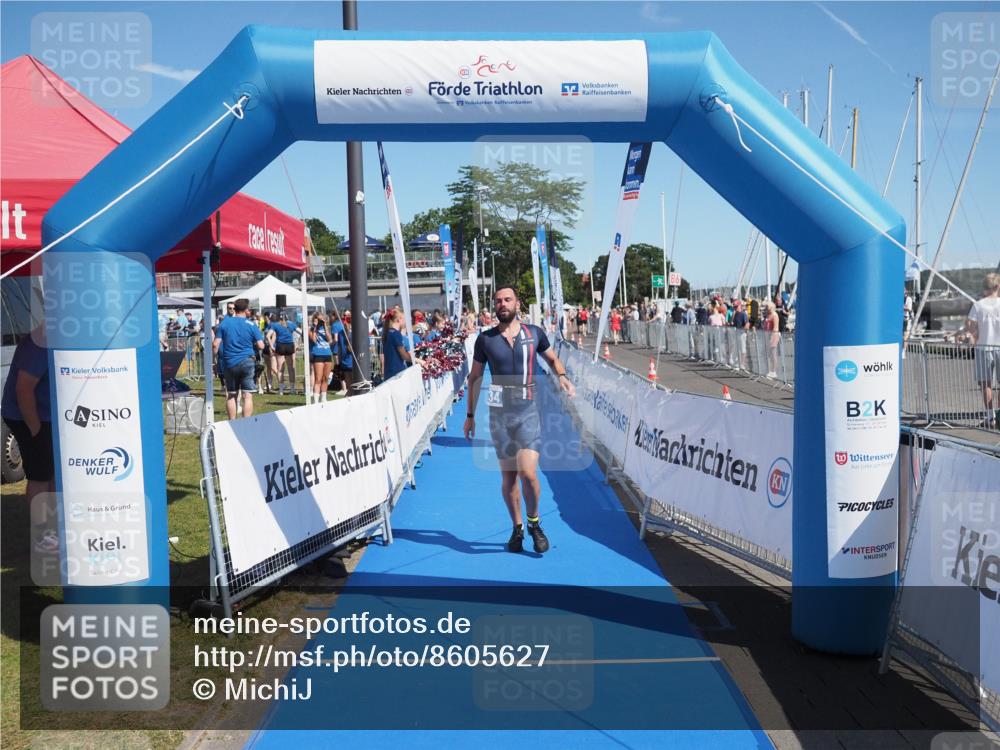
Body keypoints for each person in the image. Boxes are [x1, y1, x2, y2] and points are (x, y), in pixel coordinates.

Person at [463, 286, 575, 554]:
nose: (502, 304)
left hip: (528, 411)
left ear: (517, 303)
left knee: (528, 473)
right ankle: (517, 529)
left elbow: (552, 359)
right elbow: (475, 378)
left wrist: (561, 376)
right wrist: (469, 416)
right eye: (498, 301)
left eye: (507, 299)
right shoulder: (485, 339)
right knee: (509, 478)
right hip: (499, 415)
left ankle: (534, 522)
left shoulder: (534, 333)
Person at [1, 327, 58, 554]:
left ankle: (53, 530)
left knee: (51, 473)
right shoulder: (41, 341)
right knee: (40, 476)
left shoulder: (53, 336)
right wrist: (35, 429)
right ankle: (43, 536)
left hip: (44, 416)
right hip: (29, 416)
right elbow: (23, 390)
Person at [213, 298, 264, 420]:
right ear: (247, 310)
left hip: (229, 362)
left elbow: (215, 344)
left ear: (234, 309)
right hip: (247, 361)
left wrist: (214, 361)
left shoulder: (224, 323)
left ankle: (232, 423)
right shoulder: (252, 324)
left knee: (231, 395)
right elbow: (261, 345)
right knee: (248, 395)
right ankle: (246, 424)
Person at [963, 273, 1000, 428]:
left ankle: (990, 416)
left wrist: (972, 336)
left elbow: (971, 329)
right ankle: (999, 416)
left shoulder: (978, 305)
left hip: (983, 348)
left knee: (985, 384)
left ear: (985, 287)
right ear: (998, 287)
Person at [382, 308, 418, 380]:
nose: (406, 322)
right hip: (396, 373)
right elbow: (404, 356)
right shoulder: (396, 334)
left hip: (389, 372)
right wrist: (420, 361)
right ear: (399, 320)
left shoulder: (388, 332)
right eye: (405, 319)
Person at [267, 313, 298, 395]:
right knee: (291, 368)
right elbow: (301, 332)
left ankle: (281, 390)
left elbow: (268, 336)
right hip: (290, 346)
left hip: (280, 346)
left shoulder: (275, 325)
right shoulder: (291, 324)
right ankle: (292, 389)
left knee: (280, 369)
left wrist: (271, 346)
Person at [309, 312, 334, 403]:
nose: (319, 321)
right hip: (318, 354)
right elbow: (314, 340)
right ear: (314, 319)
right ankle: (315, 400)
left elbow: (330, 340)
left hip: (327, 354)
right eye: (317, 319)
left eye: (321, 319)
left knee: (325, 378)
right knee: (318, 379)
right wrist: (315, 327)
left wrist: (325, 326)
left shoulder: (326, 328)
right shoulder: (311, 328)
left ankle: (323, 398)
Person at [328, 310, 349, 396]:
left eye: (330, 317)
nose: (329, 318)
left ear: (334, 316)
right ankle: (346, 387)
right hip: (344, 348)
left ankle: (344, 388)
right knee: (344, 368)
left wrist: (328, 343)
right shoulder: (343, 323)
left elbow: (335, 339)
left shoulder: (334, 325)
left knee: (338, 368)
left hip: (336, 350)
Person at [763, 300, 781, 378]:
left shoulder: (774, 315)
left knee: (773, 354)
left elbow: (775, 327)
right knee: (768, 354)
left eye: (767, 307)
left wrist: (771, 337)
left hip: (773, 335)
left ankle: (774, 371)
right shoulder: (767, 315)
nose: (766, 309)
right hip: (767, 335)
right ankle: (769, 370)